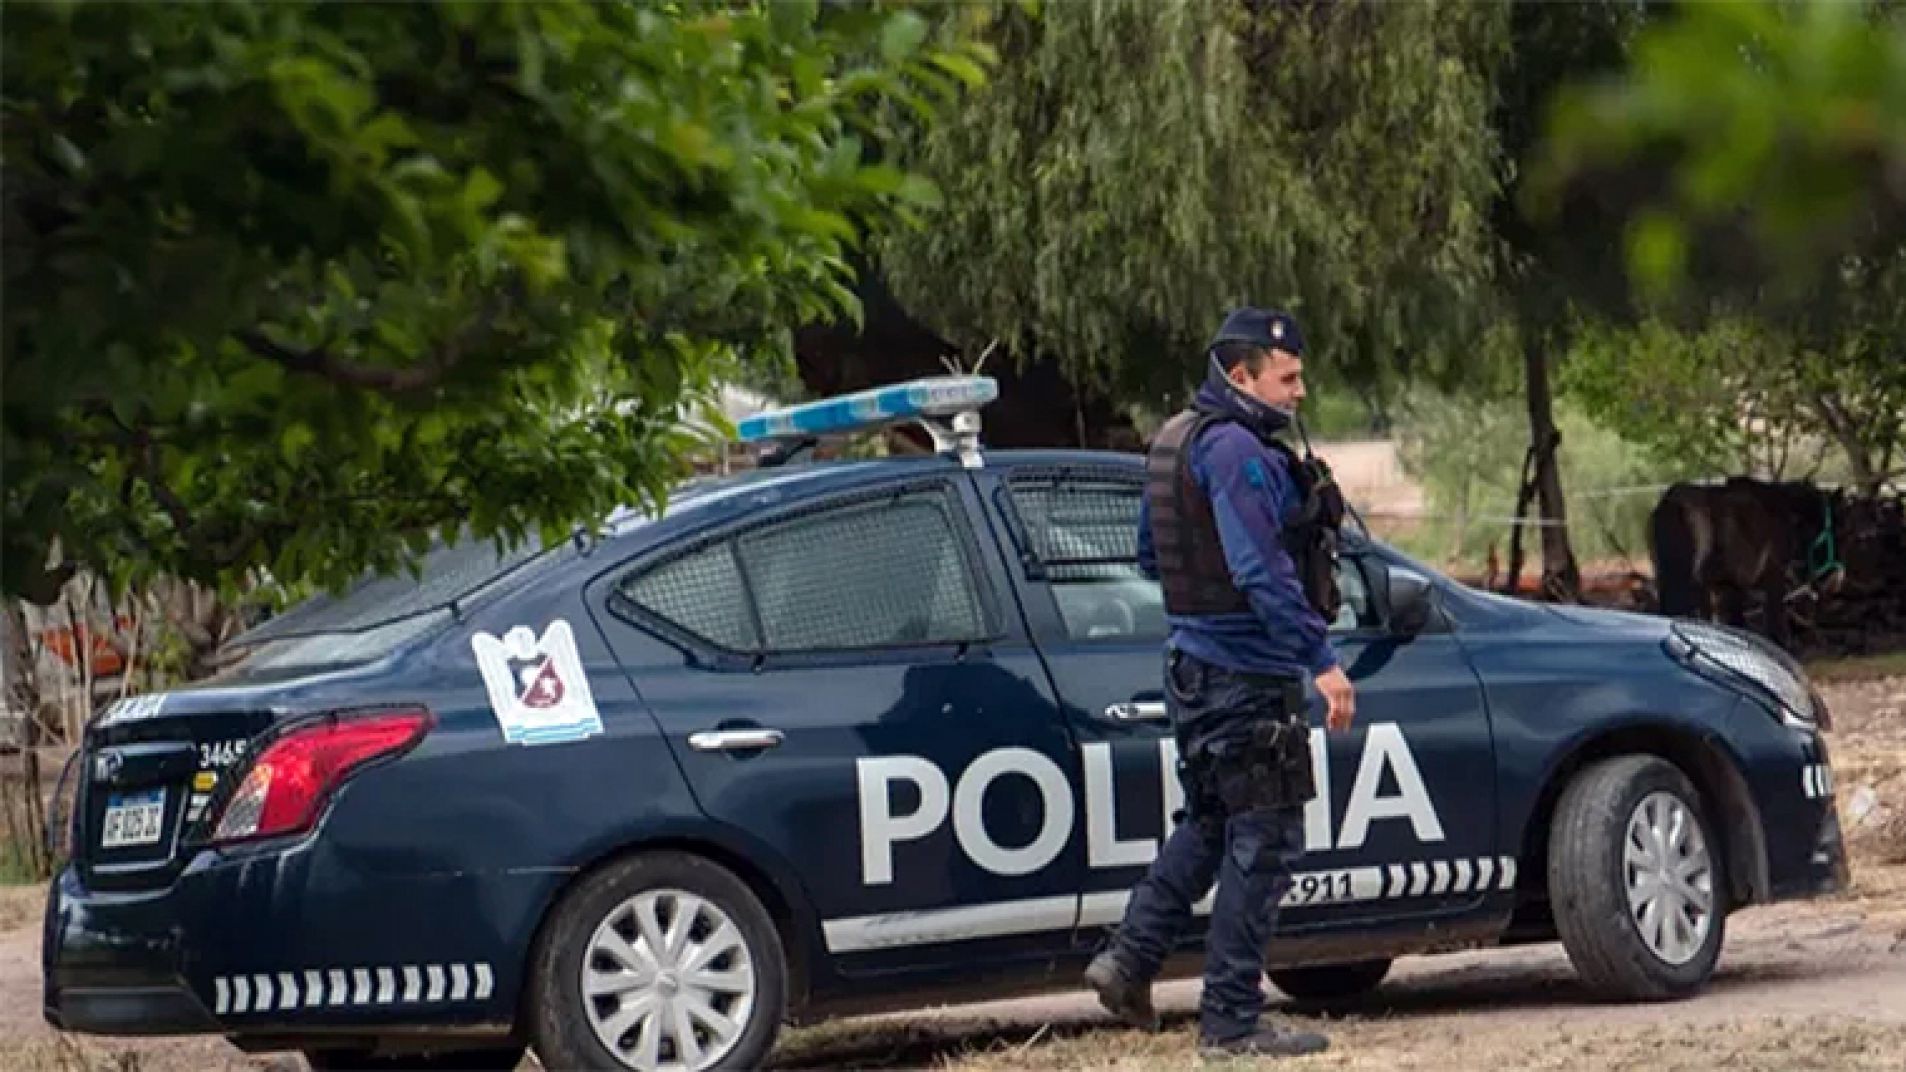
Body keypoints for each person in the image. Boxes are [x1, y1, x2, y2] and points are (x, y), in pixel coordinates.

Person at [1084, 307, 1356, 1059]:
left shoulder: (1175, 439)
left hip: (1194, 669)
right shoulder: (1237, 451)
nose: (1300, 391)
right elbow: (1258, 572)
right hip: (1245, 676)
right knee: (1264, 841)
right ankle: (1232, 1021)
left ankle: (1129, 959)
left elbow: (1149, 558)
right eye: (1288, 377)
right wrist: (1321, 659)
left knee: (1209, 824)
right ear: (1243, 376)